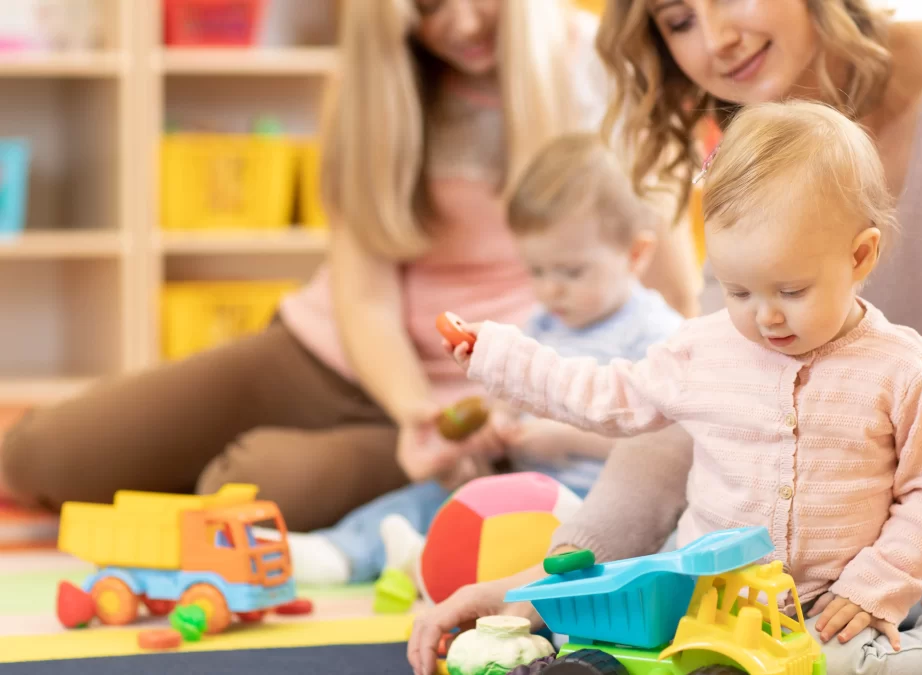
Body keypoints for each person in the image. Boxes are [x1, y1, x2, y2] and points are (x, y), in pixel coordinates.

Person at [409, 2, 922, 674]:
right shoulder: (760, 171)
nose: (714, 38)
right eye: (678, 20)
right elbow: (691, 419)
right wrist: (544, 586)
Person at [0, 0, 701, 533]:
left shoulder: (591, 65)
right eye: (425, 6)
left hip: (489, 395)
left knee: (242, 489)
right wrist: (409, 410)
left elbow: (664, 259)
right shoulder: (371, 84)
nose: (460, 23)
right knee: (39, 456)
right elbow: (364, 299)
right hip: (338, 357)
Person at [442, 101, 922, 675]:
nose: (765, 316)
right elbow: (606, 395)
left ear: (859, 255)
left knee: (844, 666)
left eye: (790, 291)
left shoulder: (908, 368)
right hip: (710, 605)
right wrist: (498, 355)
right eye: (737, 290)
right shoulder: (702, 349)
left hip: (836, 611)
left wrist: (876, 587)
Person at [280, 132, 685, 585]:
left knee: (551, 547)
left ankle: (429, 564)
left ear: (635, 255)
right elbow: (510, 398)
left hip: (606, 504)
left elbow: (668, 443)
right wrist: (495, 427)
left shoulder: (657, 334)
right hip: (526, 487)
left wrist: (565, 439)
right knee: (439, 497)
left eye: (571, 272)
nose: (551, 288)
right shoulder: (544, 324)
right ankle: (343, 551)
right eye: (535, 271)